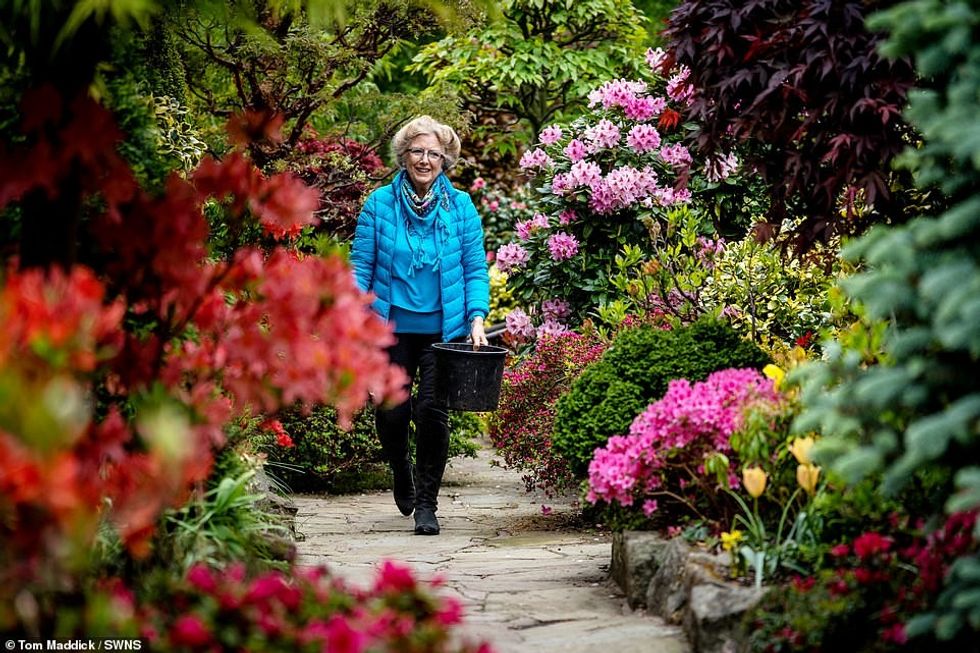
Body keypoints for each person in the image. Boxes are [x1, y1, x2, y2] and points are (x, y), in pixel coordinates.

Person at [350, 115, 490, 535]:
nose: (425, 160)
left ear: (445, 159)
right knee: (392, 414)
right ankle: (400, 468)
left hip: (441, 331)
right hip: (389, 328)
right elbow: (360, 266)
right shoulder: (379, 204)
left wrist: (476, 317)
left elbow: (474, 269)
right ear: (403, 156)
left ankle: (427, 504)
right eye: (417, 151)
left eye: (433, 153)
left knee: (431, 412)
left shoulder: (461, 206)